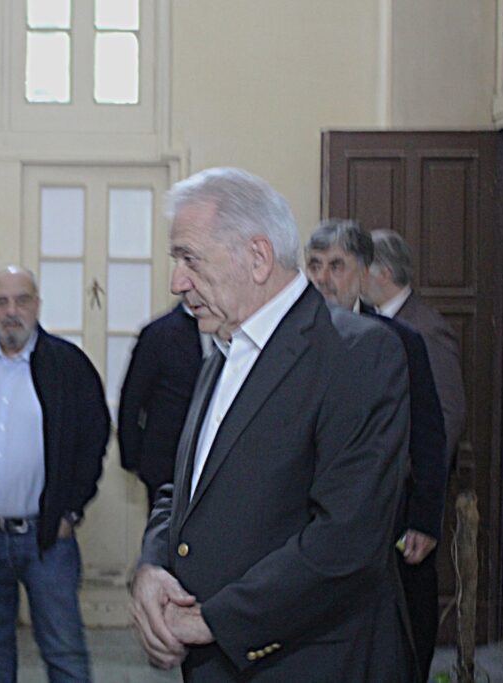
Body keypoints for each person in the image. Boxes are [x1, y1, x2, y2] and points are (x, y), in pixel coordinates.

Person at [129, 168, 416, 682]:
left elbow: (346, 541)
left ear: (258, 257)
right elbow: (188, 489)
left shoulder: (357, 353)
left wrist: (215, 620)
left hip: (309, 662)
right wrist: (152, 567)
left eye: (190, 259)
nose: (177, 282)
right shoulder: (224, 349)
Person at [0, 265, 110, 683]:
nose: (12, 311)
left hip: (47, 538)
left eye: (22, 300)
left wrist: (70, 510)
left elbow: (93, 440)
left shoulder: (69, 364)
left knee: (64, 650)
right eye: (2, 302)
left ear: (37, 305)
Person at [305, 219, 448, 681]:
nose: (323, 278)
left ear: (363, 271)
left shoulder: (400, 340)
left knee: (399, 646)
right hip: (310, 520)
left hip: (389, 519)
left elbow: (428, 433)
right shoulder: (289, 340)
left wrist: (425, 518)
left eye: (337, 266)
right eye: (314, 265)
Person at [368, 229, 466, 463]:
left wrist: (419, 474)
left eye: (364, 270)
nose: (359, 278)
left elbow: (448, 413)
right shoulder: (372, 319)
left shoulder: (427, 329)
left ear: (385, 274)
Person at [119, 304, 205, 510]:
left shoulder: (231, 330)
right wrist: (133, 459)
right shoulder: (158, 333)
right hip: (165, 464)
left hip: (214, 463)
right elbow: (132, 399)